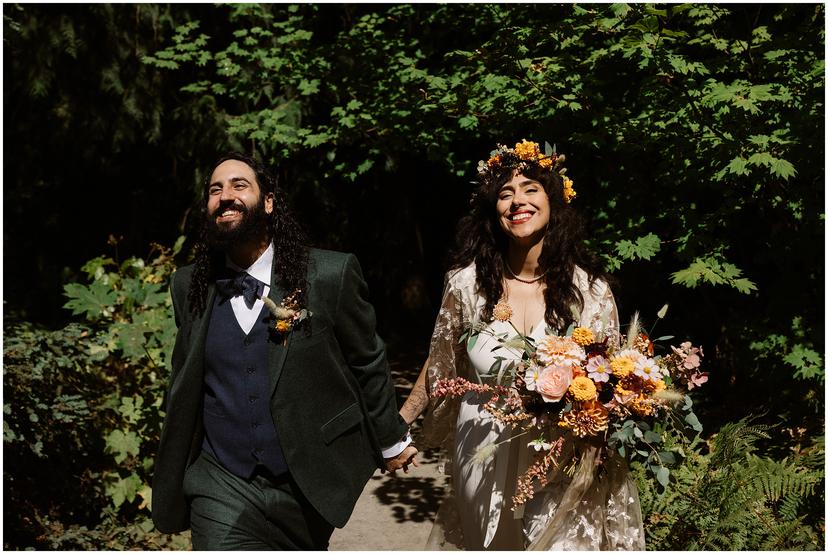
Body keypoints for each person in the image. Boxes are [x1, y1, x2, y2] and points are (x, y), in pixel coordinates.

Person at [151, 152, 418, 550]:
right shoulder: (188, 286)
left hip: (306, 480)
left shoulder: (329, 275)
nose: (225, 196)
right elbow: (186, 377)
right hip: (220, 479)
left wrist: (390, 440)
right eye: (214, 189)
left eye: (239, 185)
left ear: (269, 202)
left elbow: (366, 361)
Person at [399, 140, 645, 550]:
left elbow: (613, 382)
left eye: (531, 188)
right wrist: (399, 424)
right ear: (493, 211)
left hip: (559, 458)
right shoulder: (467, 285)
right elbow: (442, 363)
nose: (517, 201)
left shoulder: (590, 293)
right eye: (505, 194)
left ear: (554, 202)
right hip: (481, 447)